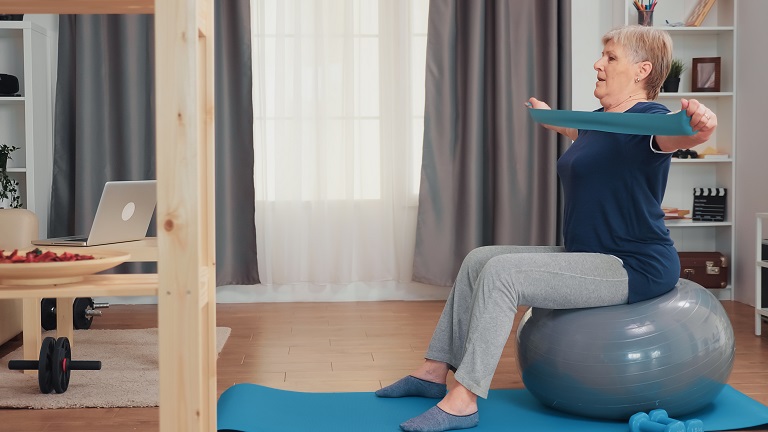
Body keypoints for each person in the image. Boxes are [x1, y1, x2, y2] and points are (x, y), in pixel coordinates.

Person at [375, 25, 718, 432]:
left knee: (504, 274)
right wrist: (552, 118)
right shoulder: (598, 123)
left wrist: (702, 125)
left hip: (634, 264)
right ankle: (433, 371)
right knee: (479, 260)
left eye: (610, 57)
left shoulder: (649, 120)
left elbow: (680, 134)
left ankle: (465, 398)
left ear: (643, 70)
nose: (598, 63)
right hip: (588, 255)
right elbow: (584, 138)